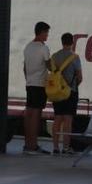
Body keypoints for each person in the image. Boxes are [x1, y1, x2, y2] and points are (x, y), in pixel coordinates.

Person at [50, 33, 83, 155]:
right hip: (70, 91)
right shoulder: (74, 57)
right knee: (68, 119)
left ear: (62, 42)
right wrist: (72, 87)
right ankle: (66, 147)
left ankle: (55, 147)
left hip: (57, 91)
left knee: (57, 118)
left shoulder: (54, 57)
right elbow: (80, 77)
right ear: (72, 42)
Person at [22, 21, 52, 155]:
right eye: (46, 33)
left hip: (29, 84)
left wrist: (28, 79)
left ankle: (27, 144)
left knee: (29, 114)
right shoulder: (43, 48)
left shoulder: (28, 47)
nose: (47, 36)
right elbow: (49, 66)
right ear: (41, 32)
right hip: (40, 84)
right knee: (36, 115)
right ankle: (33, 146)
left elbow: (24, 67)